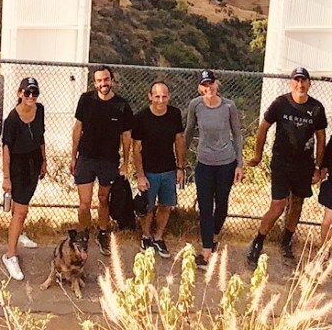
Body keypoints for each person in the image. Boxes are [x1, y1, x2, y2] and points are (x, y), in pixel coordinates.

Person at [247, 67, 327, 268]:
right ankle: (258, 242)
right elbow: (263, 127)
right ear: (291, 82)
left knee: (297, 204)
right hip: (282, 162)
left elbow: (321, 137)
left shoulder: (317, 108)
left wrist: (318, 167)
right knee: (278, 205)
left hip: (304, 165)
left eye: (304, 81)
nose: (300, 85)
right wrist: (258, 154)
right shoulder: (280, 103)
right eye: (296, 80)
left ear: (310, 84)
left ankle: (286, 241)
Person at [70, 65, 133, 256]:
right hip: (86, 158)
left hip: (109, 160)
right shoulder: (86, 100)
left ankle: (103, 233)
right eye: (99, 81)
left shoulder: (122, 105)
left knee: (104, 199)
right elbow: (77, 129)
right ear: (94, 83)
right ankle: (82, 234)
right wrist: (73, 157)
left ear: (111, 80)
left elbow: (127, 136)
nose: (103, 84)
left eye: (106, 80)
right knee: (84, 204)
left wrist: (126, 162)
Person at [184, 70, 243, 270]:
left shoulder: (228, 106)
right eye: (204, 85)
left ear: (216, 84)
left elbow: (237, 134)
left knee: (222, 204)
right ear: (199, 87)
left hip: (226, 162)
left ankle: (215, 235)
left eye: (211, 84)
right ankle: (206, 250)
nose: (208, 88)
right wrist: (181, 160)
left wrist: (240, 164)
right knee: (205, 206)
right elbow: (189, 131)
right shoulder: (195, 105)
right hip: (204, 163)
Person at [133, 82, 185, 259]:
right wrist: (140, 175)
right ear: (150, 96)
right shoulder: (141, 117)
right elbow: (136, 148)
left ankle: (158, 237)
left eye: (164, 96)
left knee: (166, 205)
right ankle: (146, 236)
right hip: (149, 171)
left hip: (169, 169)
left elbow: (179, 141)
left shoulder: (174, 114)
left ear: (168, 96)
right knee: (147, 206)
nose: (161, 100)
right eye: (157, 96)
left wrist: (180, 167)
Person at [1, 77, 46, 281]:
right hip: (18, 166)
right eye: (27, 93)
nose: (30, 97)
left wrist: (44, 161)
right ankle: (10, 255)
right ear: (19, 93)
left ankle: (19, 234)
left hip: (33, 164)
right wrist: (7, 177)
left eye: (34, 93)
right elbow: (6, 149)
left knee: (23, 208)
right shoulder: (11, 119)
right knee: (20, 211)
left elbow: (41, 138)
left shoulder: (40, 111)